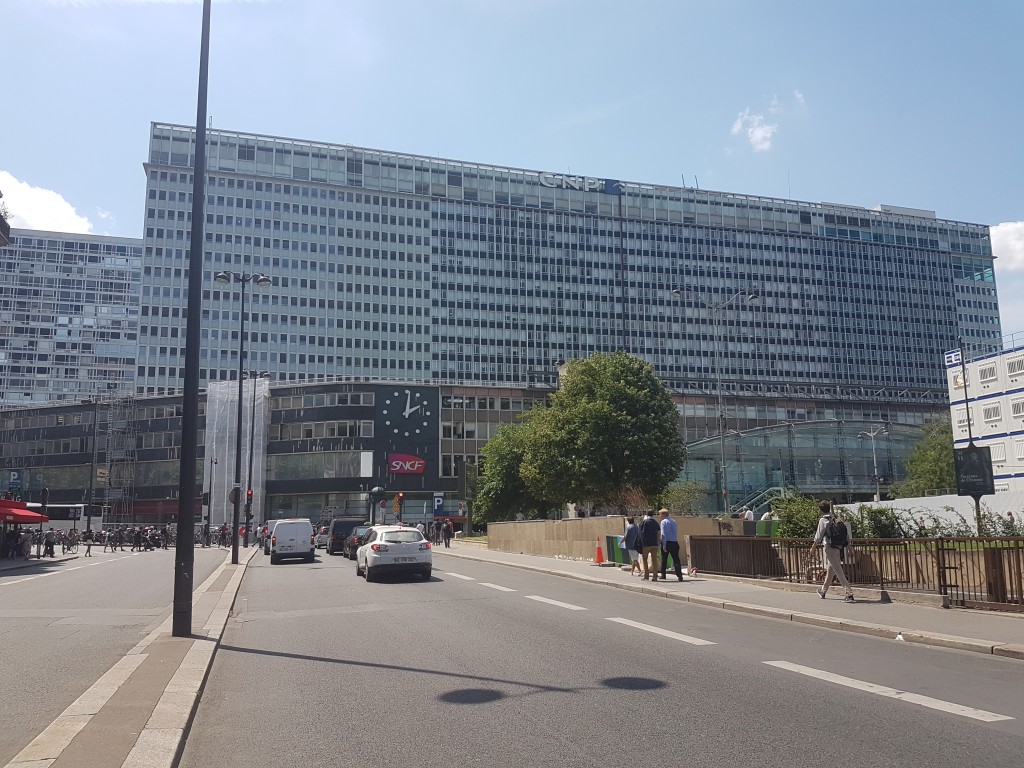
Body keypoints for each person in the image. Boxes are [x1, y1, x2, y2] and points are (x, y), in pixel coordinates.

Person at [810, 500, 854, 603]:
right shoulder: (837, 518)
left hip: (830, 548)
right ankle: (823, 591)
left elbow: (818, 536)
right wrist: (850, 548)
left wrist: (813, 547)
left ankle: (849, 594)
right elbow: (846, 535)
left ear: (821, 510)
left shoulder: (823, 520)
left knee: (838, 571)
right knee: (831, 570)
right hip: (839, 547)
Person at [658, 508, 684, 582]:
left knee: (664, 559)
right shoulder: (673, 521)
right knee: (676, 559)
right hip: (674, 542)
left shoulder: (663, 522)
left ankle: (663, 575)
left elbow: (663, 534)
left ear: (663, 514)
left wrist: (664, 545)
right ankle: (679, 575)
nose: (659, 516)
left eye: (660, 514)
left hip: (667, 542)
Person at [638, 510, 661, 581]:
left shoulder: (644, 522)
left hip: (646, 544)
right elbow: (658, 533)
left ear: (646, 514)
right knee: (654, 560)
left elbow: (640, 533)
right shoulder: (656, 523)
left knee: (645, 559)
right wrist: (658, 542)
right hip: (654, 544)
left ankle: (646, 576)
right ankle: (655, 576)